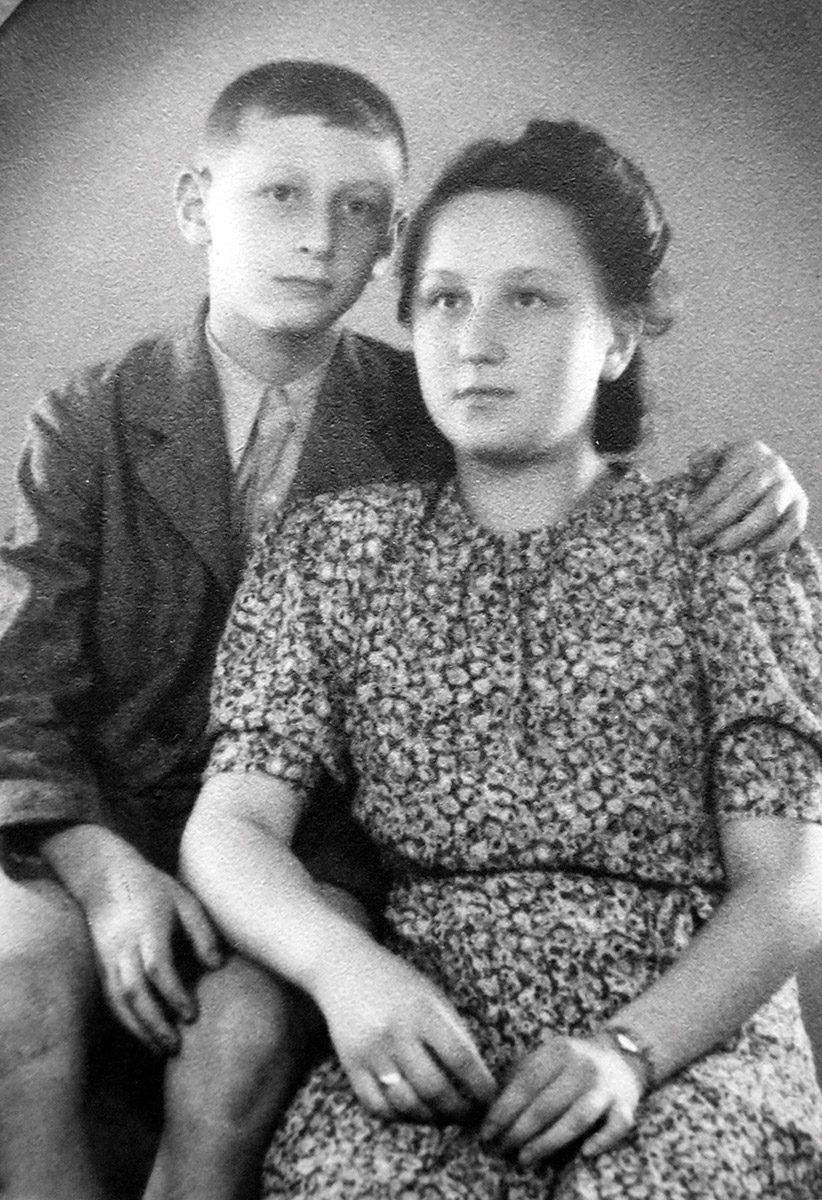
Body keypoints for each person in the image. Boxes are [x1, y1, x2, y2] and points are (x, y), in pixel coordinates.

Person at [0, 60, 808, 1200]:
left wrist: (758, 483)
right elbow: (42, 701)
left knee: (249, 1046)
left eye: (530, 299)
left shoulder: (667, 521)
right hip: (229, 886)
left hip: (556, 969)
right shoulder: (162, 453)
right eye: (446, 301)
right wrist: (127, 883)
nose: (475, 342)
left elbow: (788, 881)